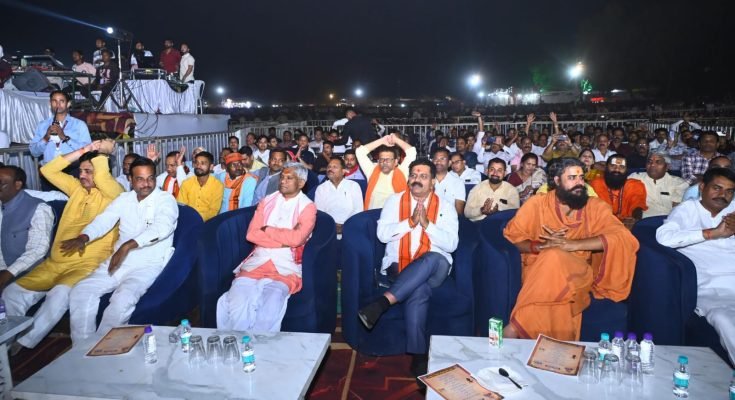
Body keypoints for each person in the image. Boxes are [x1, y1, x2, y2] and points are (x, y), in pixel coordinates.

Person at [2, 140, 123, 351]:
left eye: (88, 172)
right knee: (12, 292)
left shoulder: (115, 194)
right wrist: (85, 150)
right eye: (80, 171)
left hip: (85, 265)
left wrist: (103, 154)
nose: (82, 175)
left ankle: (24, 342)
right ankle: (6, 342)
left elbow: (104, 178)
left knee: (59, 295)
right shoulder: (76, 189)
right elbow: (48, 170)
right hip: (55, 262)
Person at [502, 158, 638, 341]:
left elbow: (623, 237)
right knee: (551, 256)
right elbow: (513, 238)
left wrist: (572, 244)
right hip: (538, 270)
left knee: (554, 255)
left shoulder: (595, 206)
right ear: (557, 181)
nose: (579, 183)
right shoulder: (537, 204)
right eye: (572, 178)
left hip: (579, 272)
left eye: (581, 178)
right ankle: (555, 345)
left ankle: (515, 327)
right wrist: (540, 246)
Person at [357, 159, 458, 377]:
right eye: (413, 175)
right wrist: (410, 222)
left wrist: (427, 225)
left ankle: (383, 302)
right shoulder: (394, 201)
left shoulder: (446, 206)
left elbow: (451, 244)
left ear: (432, 182)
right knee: (418, 288)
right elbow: (382, 235)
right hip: (400, 266)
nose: (417, 180)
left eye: (423, 176)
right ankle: (419, 354)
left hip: (437, 268)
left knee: (432, 257)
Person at [67, 157, 178, 343]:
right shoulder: (124, 199)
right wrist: (84, 237)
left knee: (121, 301)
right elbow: (104, 220)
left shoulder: (166, 200)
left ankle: (104, 347)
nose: (146, 184)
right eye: (140, 179)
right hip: (118, 262)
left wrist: (127, 246)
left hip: (148, 265)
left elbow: (162, 227)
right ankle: (82, 347)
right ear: (130, 180)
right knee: (81, 291)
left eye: (150, 178)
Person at [216, 162, 316, 332]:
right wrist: (285, 240)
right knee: (237, 301)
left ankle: (261, 344)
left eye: (289, 178)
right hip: (257, 262)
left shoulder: (308, 207)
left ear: (301, 183)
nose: (282, 181)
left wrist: (268, 230)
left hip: (285, 267)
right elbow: (251, 235)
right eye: (282, 177)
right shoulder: (267, 201)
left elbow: (297, 239)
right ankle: (238, 341)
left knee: (271, 304)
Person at [656, 167, 735, 364]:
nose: (723, 195)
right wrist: (711, 233)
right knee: (725, 320)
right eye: (717, 188)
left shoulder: (733, 212)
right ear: (702, 187)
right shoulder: (687, 210)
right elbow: (663, 237)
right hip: (713, 291)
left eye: (729, 191)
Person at [0, 166, 54, 291]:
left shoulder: (39, 208)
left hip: (29, 271)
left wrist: (8, 272)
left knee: (11, 296)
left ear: (17, 185)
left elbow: (37, 249)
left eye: (0, 183)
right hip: (5, 270)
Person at [29, 91, 92, 167]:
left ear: (68, 104)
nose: (58, 104)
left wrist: (64, 137)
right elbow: (34, 153)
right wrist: (46, 138)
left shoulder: (79, 125)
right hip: (48, 169)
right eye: (54, 101)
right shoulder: (43, 125)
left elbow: (88, 151)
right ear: (50, 103)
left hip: (72, 168)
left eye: (61, 101)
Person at [356, 133, 417, 210]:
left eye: (388, 160)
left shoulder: (402, 171)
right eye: (382, 159)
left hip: (395, 214)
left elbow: (412, 152)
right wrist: (382, 140)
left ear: (395, 162)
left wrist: (395, 140)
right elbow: (359, 152)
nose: (384, 162)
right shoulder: (371, 170)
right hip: (373, 214)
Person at [589, 155, 648, 229]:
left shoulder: (635, 185)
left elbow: (637, 205)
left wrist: (635, 219)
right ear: (606, 168)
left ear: (626, 170)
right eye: (613, 166)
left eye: (622, 167)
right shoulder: (595, 184)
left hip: (627, 226)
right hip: (601, 224)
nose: (617, 169)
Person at [629, 153, 689, 218]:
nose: (652, 165)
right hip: (641, 220)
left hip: (667, 220)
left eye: (658, 162)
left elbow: (677, 211)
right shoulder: (635, 177)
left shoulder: (678, 183)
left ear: (667, 167)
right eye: (650, 161)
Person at [315, 158, 363, 235]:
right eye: (329, 167)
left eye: (335, 167)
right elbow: (320, 213)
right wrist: (333, 226)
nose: (330, 169)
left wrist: (345, 226)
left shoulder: (353, 185)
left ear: (343, 171)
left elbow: (358, 210)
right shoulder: (321, 188)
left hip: (351, 227)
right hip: (328, 227)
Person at [178, 151, 224, 221]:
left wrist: (195, 219)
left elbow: (213, 211)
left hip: (208, 223)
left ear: (211, 167)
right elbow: (181, 206)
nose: (198, 166)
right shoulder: (186, 183)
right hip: (187, 221)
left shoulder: (218, 186)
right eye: (197, 163)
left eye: (203, 163)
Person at [432, 148, 466, 214]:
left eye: (442, 159)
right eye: (435, 159)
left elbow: (458, 211)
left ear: (449, 163)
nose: (438, 162)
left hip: (449, 218)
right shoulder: (426, 180)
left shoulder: (458, 182)